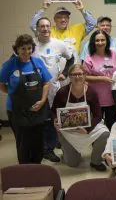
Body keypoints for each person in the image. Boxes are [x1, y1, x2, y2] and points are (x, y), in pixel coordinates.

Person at [0, 34, 52, 164]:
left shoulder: (38, 63)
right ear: (16, 49)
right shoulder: (10, 65)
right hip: (17, 111)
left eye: (29, 48)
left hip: (38, 109)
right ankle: (24, 170)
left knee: (38, 141)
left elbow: (46, 83)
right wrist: (13, 94)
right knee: (23, 142)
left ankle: (37, 166)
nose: (26, 51)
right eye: (23, 48)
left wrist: (42, 101)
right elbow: (1, 84)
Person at [32, 17, 74, 162]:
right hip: (35, 90)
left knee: (53, 119)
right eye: (42, 26)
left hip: (54, 88)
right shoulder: (31, 45)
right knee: (39, 119)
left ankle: (49, 149)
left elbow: (71, 58)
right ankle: (40, 148)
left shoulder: (58, 44)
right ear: (37, 28)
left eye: (47, 26)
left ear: (51, 28)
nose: (45, 29)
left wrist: (65, 72)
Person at [52, 64, 109, 170]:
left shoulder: (91, 92)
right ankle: (67, 153)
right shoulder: (62, 92)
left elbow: (98, 115)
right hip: (68, 130)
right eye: (74, 74)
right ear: (69, 76)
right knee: (73, 163)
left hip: (86, 128)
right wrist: (55, 121)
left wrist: (88, 129)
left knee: (104, 133)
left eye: (80, 74)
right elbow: (53, 111)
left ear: (85, 75)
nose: (77, 77)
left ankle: (95, 161)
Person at [29, 0, 96, 56]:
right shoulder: (47, 31)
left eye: (66, 17)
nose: (63, 19)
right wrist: (43, 9)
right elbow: (33, 26)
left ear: (68, 19)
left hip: (73, 67)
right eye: (59, 17)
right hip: (54, 65)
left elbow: (92, 24)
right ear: (54, 19)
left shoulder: (77, 29)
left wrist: (82, 10)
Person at [83, 30, 116, 130]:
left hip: (113, 97)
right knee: (96, 127)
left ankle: (110, 145)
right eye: (97, 40)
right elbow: (84, 77)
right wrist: (102, 78)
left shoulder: (113, 53)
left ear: (107, 41)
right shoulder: (89, 57)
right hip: (96, 98)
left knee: (112, 126)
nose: (100, 43)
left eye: (102, 40)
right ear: (93, 42)